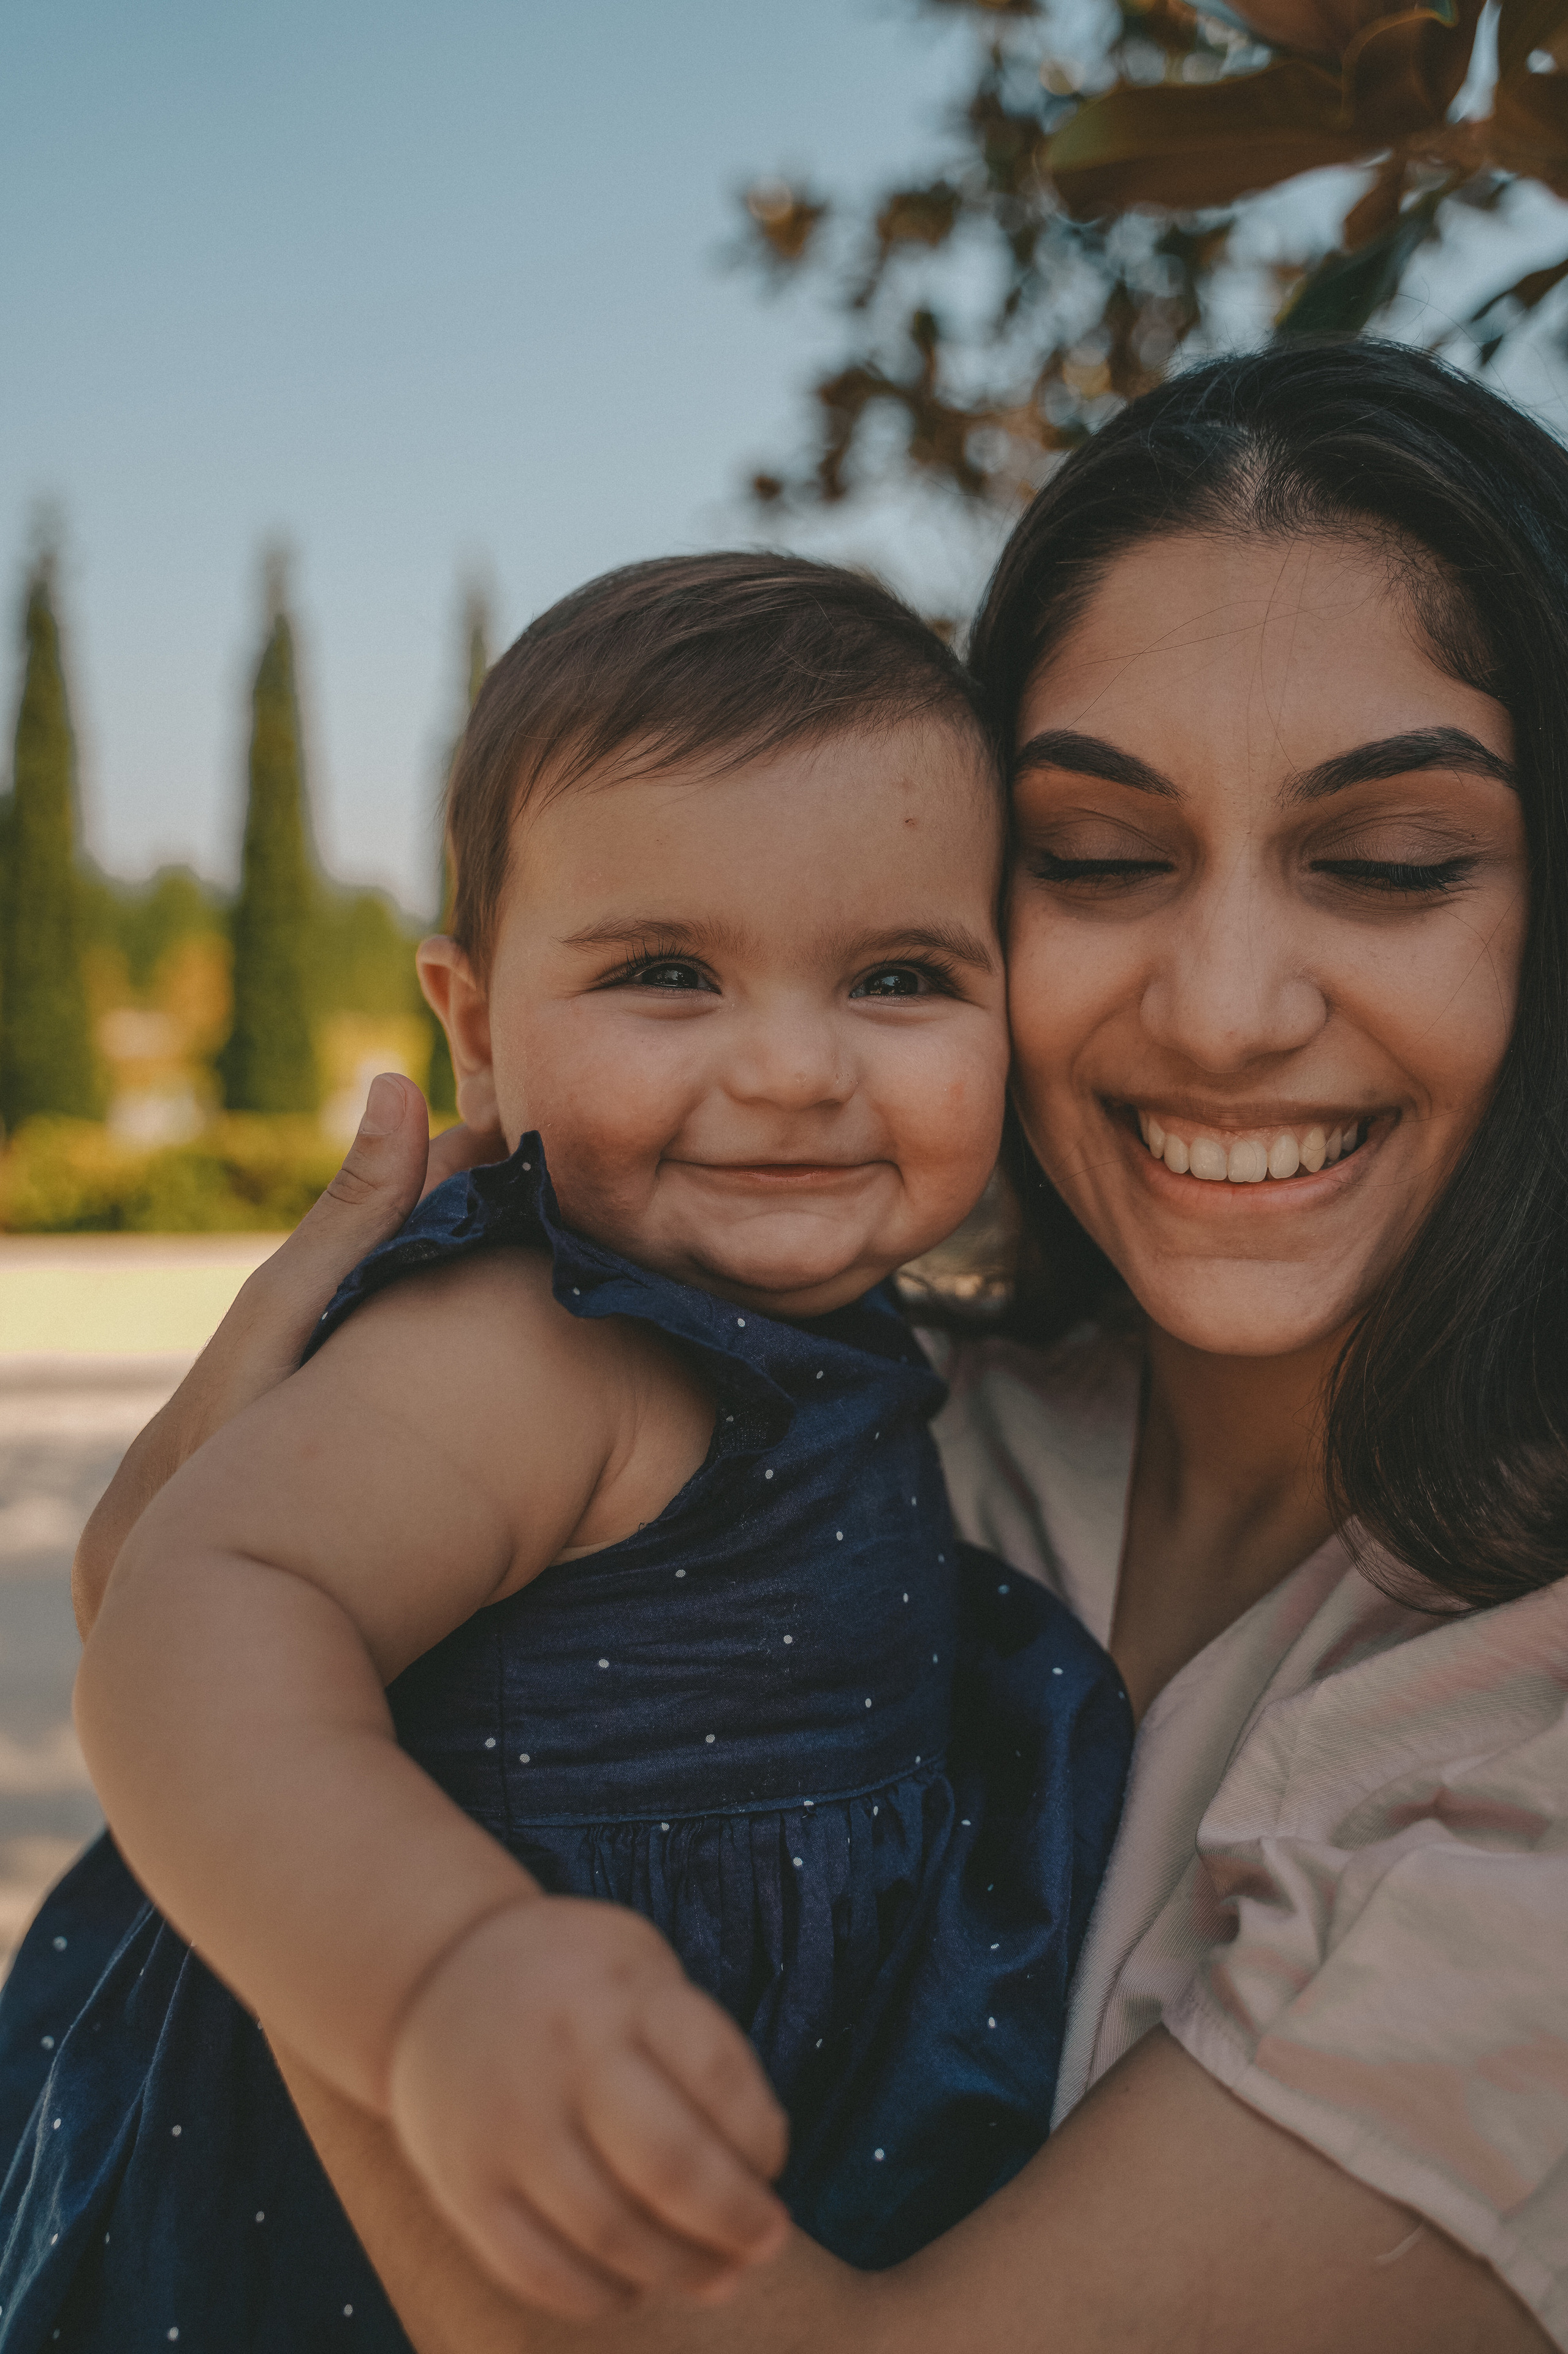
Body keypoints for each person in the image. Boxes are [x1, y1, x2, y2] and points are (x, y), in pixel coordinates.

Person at [23, 339, 1568, 2354]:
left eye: (1388, 865)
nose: (1222, 1009)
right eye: (1099, 859)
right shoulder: (813, 1393)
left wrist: (367, 1934)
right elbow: (231, 1619)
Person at [0, 555, 1132, 2351]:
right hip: (375, 2216)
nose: (789, 1067)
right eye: (668, 973)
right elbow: (190, 1614)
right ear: (474, 1034)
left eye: (899, 975)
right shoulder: (537, 1341)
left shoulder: (844, 1334)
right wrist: (437, 1970)